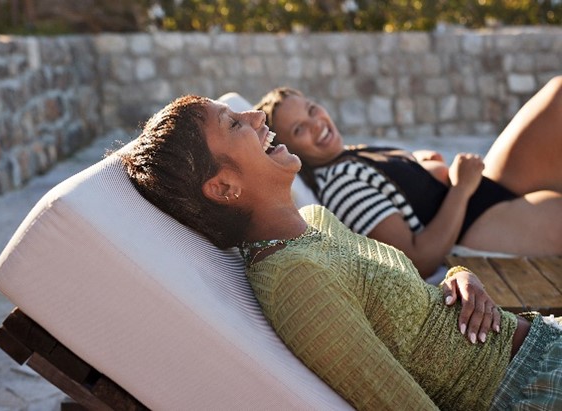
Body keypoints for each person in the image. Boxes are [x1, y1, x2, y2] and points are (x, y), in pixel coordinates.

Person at [120, 95, 562, 410]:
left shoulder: (316, 223)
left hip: (536, 339)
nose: (255, 115)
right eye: (234, 124)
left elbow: (406, 292)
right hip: (527, 384)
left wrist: (460, 277)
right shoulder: (296, 278)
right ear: (223, 187)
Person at [254, 77, 562, 277]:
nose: (316, 124)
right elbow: (417, 261)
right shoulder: (340, 185)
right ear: (290, 149)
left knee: (557, 96)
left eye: (311, 110)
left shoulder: (349, 153)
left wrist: (418, 163)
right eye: (299, 130)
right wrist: (461, 190)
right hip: (472, 227)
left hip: (480, 192)